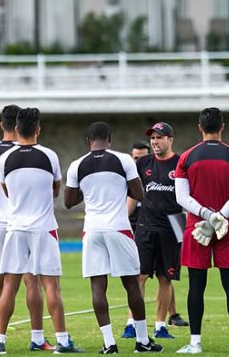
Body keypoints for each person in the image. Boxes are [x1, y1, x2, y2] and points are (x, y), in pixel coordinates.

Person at [64, 121, 162, 353]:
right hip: (119, 227)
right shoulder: (123, 160)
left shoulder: (77, 165)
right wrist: (118, 187)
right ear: (110, 139)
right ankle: (142, 342)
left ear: (88, 141)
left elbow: (68, 202)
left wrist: (89, 189)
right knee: (132, 284)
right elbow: (139, 194)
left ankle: (109, 344)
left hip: (92, 230)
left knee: (98, 286)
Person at [0, 108, 80, 354]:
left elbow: (6, 190)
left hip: (15, 227)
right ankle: (62, 341)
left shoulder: (5, 159)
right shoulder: (49, 156)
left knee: (9, 285)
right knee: (51, 285)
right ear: (38, 130)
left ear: (16, 130)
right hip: (43, 228)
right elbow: (55, 190)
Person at [174, 107, 229, 354]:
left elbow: (181, 197)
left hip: (196, 228)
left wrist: (207, 216)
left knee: (196, 286)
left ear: (200, 128)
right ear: (222, 127)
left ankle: (195, 343)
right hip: (226, 228)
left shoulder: (186, 157)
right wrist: (219, 217)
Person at [0, 104, 51, 352]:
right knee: (32, 280)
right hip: (21, 223)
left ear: (2, 125)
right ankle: (37, 336)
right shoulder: (29, 151)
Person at [123, 122, 185, 340]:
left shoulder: (180, 164)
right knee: (139, 277)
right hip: (145, 227)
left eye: (159, 138)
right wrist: (123, 219)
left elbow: (188, 197)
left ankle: (160, 326)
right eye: (153, 138)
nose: (155, 142)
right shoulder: (143, 164)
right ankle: (132, 323)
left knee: (165, 279)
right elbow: (133, 195)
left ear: (170, 139)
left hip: (172, 227)